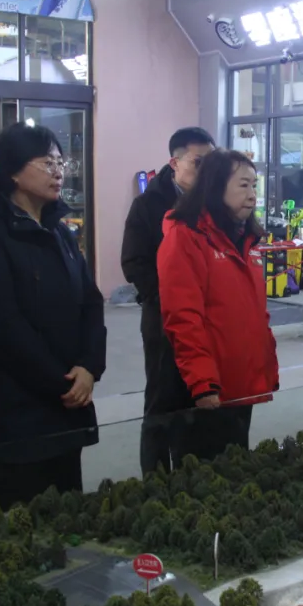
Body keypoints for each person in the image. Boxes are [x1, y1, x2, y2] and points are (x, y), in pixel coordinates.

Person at [0, 123, 106, 509]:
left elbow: (91, 303)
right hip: (16, 409)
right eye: (46, 163)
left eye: (60, 163)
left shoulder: (60, 233)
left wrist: (89, 367)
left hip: (66, 403)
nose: (58, 172)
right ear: (12, 171)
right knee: (24, 520)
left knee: (67, 514)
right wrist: (61, 382)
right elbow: (2, 325)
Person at [157, 149, 279, 461]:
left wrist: (266, 368)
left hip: (240, 383)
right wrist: (203, 382)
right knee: (206, 473)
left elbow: (255, 314)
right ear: (215, 186)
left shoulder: (247, 241)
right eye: (243, 185)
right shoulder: (186, 237)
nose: (252, 195)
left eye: (255, 186)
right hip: (206, 388)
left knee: (237, 465)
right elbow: (183, 318)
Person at [120, 127, 215, 475]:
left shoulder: (215, 203)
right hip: (164, 322)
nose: (205, 172)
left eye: (211, 163)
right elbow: (134, 263)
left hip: (207, 321)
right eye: (198, 162)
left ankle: (192, 476)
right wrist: (170, 299)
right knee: (162, 403)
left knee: (200, 400)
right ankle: (157, 482)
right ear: (174, 162)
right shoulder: (148, 204)